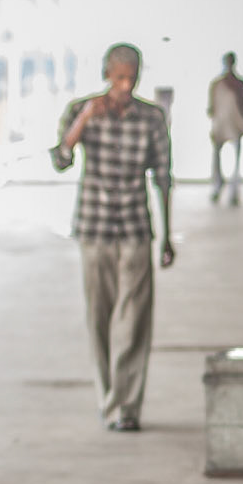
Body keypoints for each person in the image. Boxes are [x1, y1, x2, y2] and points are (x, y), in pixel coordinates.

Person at [52, 44, 174, 433]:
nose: (125, 84)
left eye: (131, 77)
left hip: (136, 228)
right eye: (119, 77)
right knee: (99, 317)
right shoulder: (81, 109)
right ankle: (108, 399)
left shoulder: (152, 118)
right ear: (106, 74)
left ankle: (127, 407)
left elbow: (164, 177)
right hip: (95, 228)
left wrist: (167, 235)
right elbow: (60, 158)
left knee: (134, 320)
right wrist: (85, 119)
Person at [206, 52, 243, 206]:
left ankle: (230, 190)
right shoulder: (222, 84)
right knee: (221, 157)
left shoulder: (235, 84)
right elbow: (212, 107)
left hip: (232, 123)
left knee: (232, 160)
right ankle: (220, 186)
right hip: (223, 123)